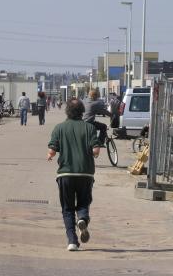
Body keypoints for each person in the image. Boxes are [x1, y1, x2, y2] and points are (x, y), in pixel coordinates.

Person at [47, 98, 101, 251]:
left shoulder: (59, 128)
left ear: (67, 111)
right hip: (86, 173)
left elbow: (52, 150)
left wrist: (50, 155)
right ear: (82, 111)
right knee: (83, 203)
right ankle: (82, 219)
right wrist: (93, 154)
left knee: (68, 208)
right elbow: (96, 150)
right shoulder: (89, 128)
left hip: (66, 173)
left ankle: (72, 241)